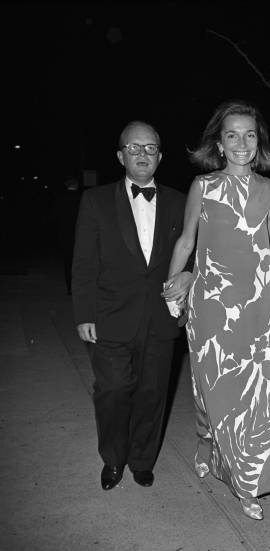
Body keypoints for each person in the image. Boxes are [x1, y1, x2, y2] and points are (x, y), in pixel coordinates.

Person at [164, 100, 270, 521]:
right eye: (232, 134)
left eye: (250, 134)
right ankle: (212, 450)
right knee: (213, 388)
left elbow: (262, 251)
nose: (242, 143)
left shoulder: (269, 191)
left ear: (259, 140)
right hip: (212, 305)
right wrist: (172, 289)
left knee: (255, 396)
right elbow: (187, 243)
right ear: (219, 142)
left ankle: (245, 478)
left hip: (256, 308)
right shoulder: (204, 186)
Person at [72, 120, 187, 490]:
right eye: (134, 148)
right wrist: (84, 313)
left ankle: (141, 459)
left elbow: (197, 253)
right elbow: (84, 262)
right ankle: (113, 459)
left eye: (150, 148)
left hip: (160, 318)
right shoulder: (96, 200)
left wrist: (191, 277)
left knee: (153, 394)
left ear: (160, 156)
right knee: (114, 391)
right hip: (110, 317)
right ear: (121, 155)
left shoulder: (180, 202)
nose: (142, 154)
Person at [54, 175, 81, 295]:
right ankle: (78, 286)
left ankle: (69, 287)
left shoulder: (61, 198)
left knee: (67, 262)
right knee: (80, 262)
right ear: (76, 185)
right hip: (79, 234)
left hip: (65, 233)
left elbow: (56, 216)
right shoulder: (81, 198)